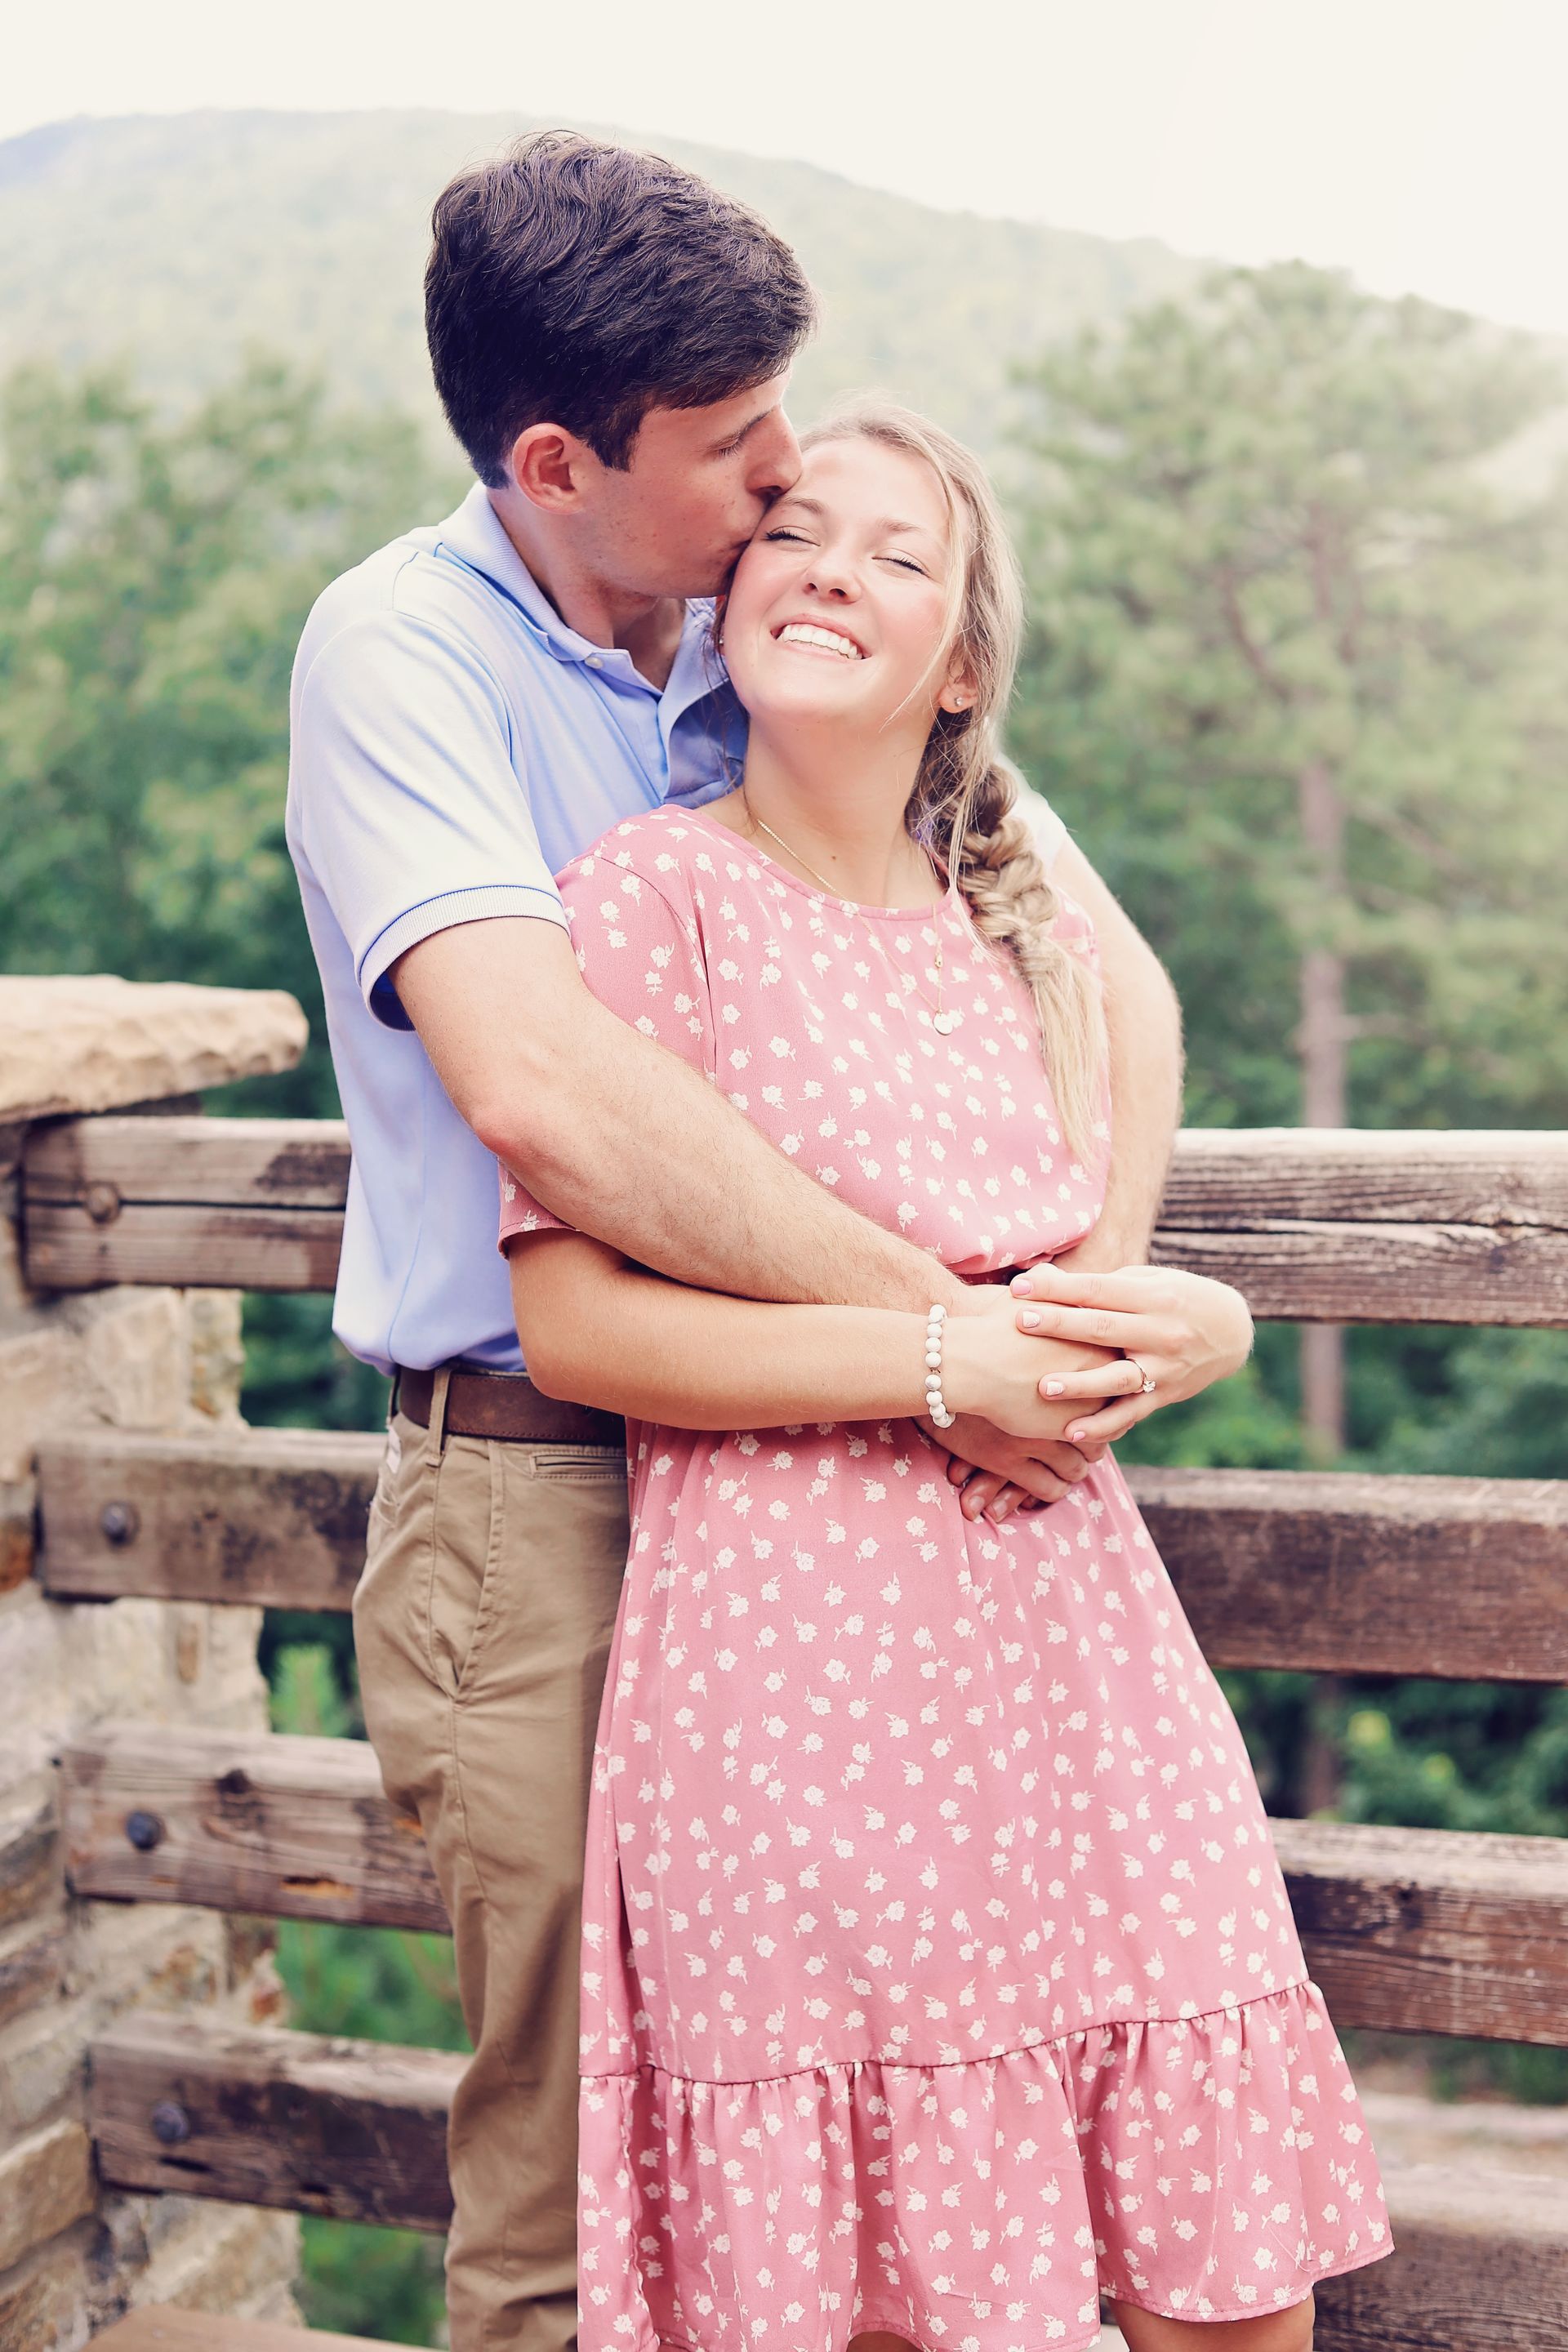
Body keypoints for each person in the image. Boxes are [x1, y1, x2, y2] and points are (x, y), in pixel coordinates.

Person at [288, 132, 1241, 2352]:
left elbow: (1113, 986)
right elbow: (543, 1093)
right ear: (555, 460)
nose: (785, 479)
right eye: (736, 454)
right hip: (544, 1488)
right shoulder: (405, 656)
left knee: (856, 2167)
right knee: (580, 2203)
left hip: (857, 1530)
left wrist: (1089, 1319)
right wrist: (956, 1344)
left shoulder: (775, 635)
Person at [500, 404, 1391, 2352]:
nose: (827, 566)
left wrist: (1190, 1321)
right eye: (796, 530)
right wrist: (929, 1359)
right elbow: (577, 1327)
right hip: (793, 1652)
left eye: (897, 554)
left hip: (1073, 1634)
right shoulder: (650, 898)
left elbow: (1101, 1206)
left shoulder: (1025, 926)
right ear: (732, 590)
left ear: (961, 660)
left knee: (1223, 2274)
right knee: (882, 2278)